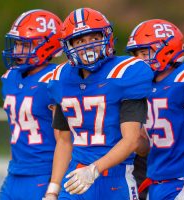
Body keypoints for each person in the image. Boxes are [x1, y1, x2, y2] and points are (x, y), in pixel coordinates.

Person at [43, 7, 153, 200]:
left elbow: (131, 140)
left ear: (107, 37)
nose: (88, 46)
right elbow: (63, 141)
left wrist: (94, 169)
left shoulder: (126, 73)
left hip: (115, 178)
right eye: (80, 41)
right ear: (68, 46)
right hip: (75, 178)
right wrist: (52, 190)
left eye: (94, 38)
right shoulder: (60, 79)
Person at [126, 19, 184, 200]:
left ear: (167, 48)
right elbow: (145, 149)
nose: (140, 60)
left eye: (145, 53)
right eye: (137, 55)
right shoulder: (144, 88)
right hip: (156, 180)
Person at [0, 9, 63, 200]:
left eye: (24, 44)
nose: (17, 50)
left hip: (43, 172)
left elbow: (64, 140)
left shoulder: (54, 80)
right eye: (17, 43)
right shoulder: (10, 78)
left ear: (46, 46)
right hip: (15, 172)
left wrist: (54, 186)